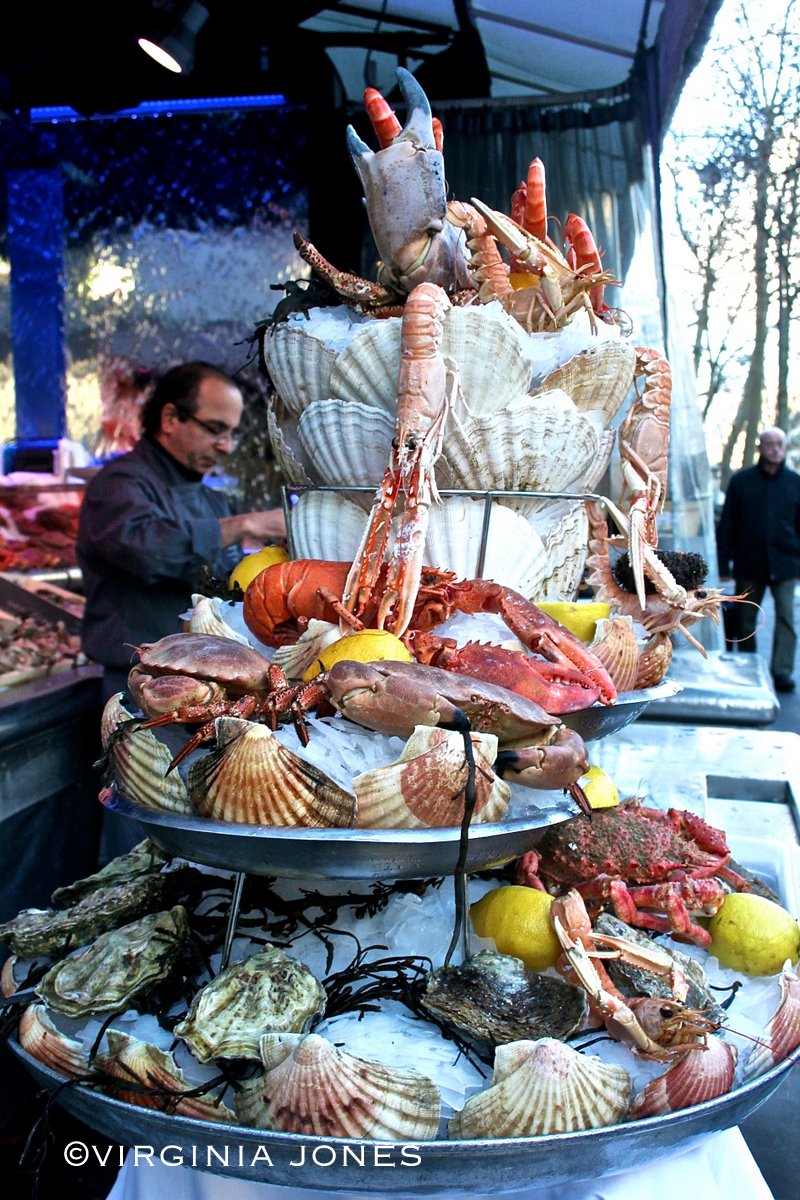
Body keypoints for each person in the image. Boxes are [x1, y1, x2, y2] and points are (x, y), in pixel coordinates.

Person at [77, 361, 286, 703]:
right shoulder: (118, 485)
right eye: (216, 429)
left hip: (210, 683)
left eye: (232, 433)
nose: (226, 446)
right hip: (139, 684)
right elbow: (149, 551)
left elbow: (229, 587)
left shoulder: (210, 499)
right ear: (171, 418)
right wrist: (243, 526)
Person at [716, 426, 800, 692]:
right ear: (760, 448)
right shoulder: (742, 482)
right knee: (745, 619)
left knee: (786, 617)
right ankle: (748, 668)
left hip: (785, 563)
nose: (775, 448)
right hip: (748, 562)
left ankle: (782, 672)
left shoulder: (795, 483)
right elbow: (728, 525)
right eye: (770, 443)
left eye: (780, 443)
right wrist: (722, 564)